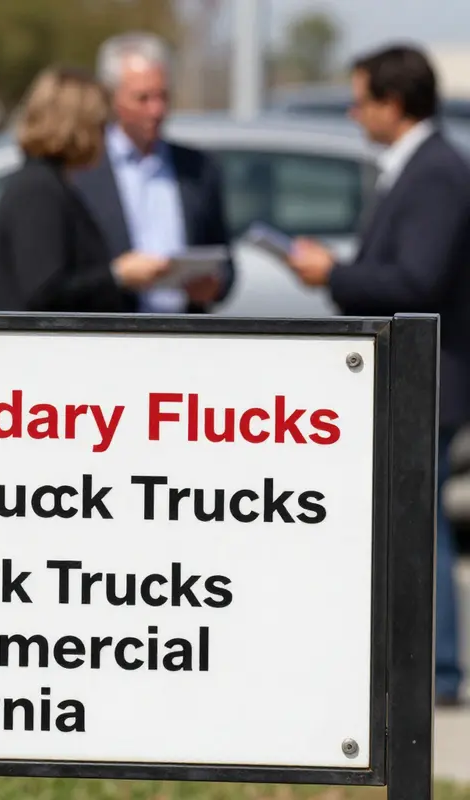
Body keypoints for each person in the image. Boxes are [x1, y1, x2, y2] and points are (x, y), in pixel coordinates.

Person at [286, 44, 470, 706]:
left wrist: (332, 273)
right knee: (406, 521)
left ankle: (438, 672)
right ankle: (422, 667)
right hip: (415, 373)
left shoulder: (436, 172)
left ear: (392, 104)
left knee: (420, 524)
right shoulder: (417, 167)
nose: (352, 111)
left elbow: (417, 280)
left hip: (433, 377)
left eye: (360, 99)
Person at [72, 32, 235, 314]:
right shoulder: (83, 170)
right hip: (110, 336)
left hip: (185, 337)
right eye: (143, 98)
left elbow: (225, 261)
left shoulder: (198, 167)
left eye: (163, 96)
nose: (157, 110)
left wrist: (215, 284)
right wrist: (119, 275)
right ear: (113, 99)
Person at [0, 65, 170, 312]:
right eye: (101, 125)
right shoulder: (38, 190)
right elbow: (44, 291)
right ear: (78, 126)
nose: (105, 137)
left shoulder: (55, 183)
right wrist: (117, 275)